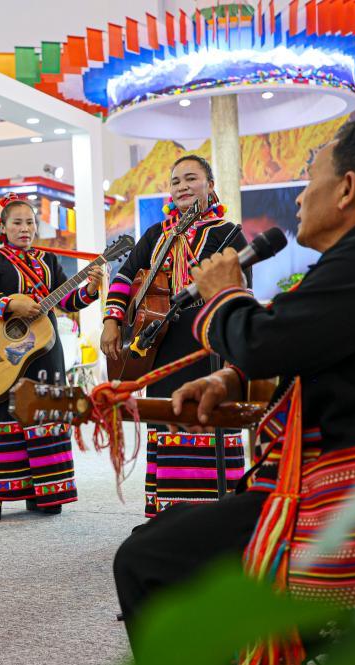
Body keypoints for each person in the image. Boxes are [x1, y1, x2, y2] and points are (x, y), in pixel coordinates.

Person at [113, 119, 355, 665]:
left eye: (310, 180)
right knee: (168, 533)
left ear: (348, 189)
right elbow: (313, 342)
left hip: (348, 508)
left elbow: (262, 343)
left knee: (144, 557)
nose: (301, 197)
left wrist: (224, 294)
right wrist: (229, 379)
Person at [100, 155, 249, 518]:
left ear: (210, 185)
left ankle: (216, 516)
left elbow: (242, 288)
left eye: (191, 178)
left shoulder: (229, 233)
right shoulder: (156, 234)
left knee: (207, 416)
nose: (182, 186)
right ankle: (166, 514)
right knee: (166, 417)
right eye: (176, 181)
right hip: (160, 343)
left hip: (208, 343)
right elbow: (125, 276)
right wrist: (112, 320)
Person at [0, 193, 104, 521]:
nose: (25, 228)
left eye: (30, 222)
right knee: (7, 415)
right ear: (3, 227)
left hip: (47, 349)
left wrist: (90, 289)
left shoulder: (48, 260)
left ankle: (47, 490)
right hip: (9, 349)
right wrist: (11, 304)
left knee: (47, 411)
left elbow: (67, 301)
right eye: (17, 222)